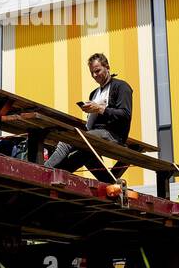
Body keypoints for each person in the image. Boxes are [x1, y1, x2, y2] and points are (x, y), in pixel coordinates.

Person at [45, 52, 133, 181]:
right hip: (94, 133)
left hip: (114, 135)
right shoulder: (94, 93)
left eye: (97, 71)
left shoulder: (121, 87)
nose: (95, 75)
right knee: (83, 153)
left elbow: (125, 115)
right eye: (92, 73)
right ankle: (109, 182)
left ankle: (43, 171)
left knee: (68, 141)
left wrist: (100, 109)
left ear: (107, 67)